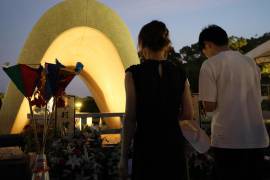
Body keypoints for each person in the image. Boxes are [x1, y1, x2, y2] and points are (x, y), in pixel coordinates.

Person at [119, 20, 194, 180]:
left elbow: (130, 118)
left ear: (142, 44)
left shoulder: (133, 74)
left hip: (146, 145)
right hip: (173, 144)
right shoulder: (180, 73)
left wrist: (124, 158)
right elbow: (188, 113)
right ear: (166, 45)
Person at [198, 24, 269, 180]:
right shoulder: (251, 63)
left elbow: (209, 106)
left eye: (204, 52)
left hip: (228, 140)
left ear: (208, 45)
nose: (206, 55)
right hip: (257, 139)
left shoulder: (209, 64)